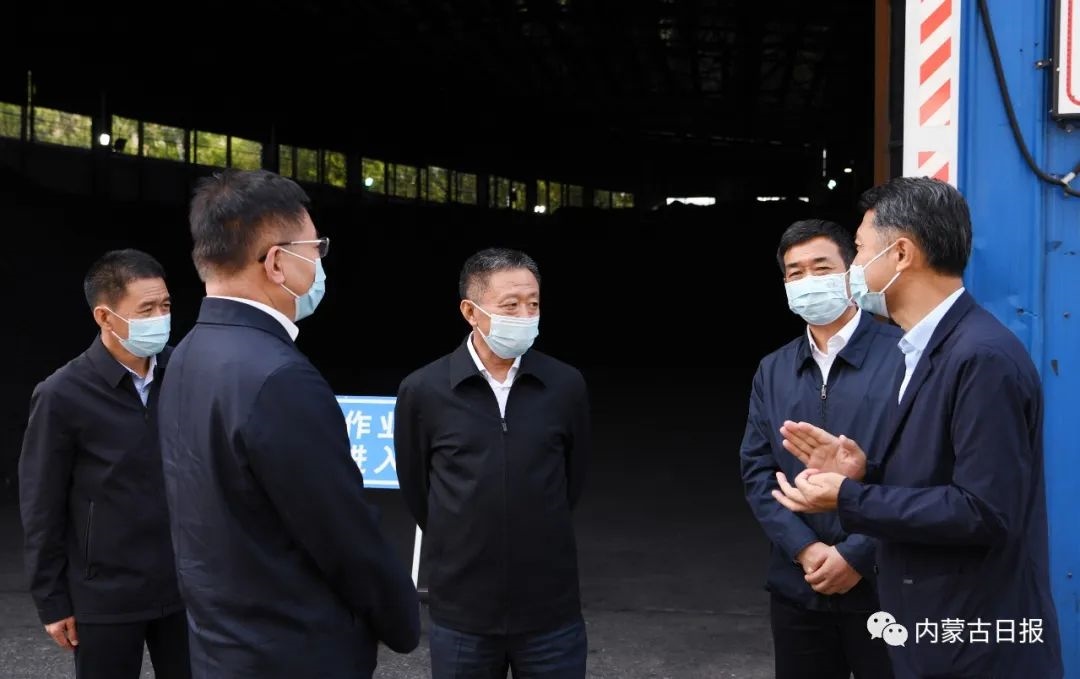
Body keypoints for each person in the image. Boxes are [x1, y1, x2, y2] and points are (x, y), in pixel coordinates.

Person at [773, 177, 1063, 678]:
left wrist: (849, 497)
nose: (855, 269)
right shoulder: (921, 349)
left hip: (975, 643)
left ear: (902, 254)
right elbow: (937, 478)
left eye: (862, 250)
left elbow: (984, 511)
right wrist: (864, 473)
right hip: (930, 630)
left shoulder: (980, 357)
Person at [157, 169, 420, 678]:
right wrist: (400, 619)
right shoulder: (278, 377)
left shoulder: (186, 354)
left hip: (220, 648)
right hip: (293, 651)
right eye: (315, 247)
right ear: (277, 262)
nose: (320, 262)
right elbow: (341, 532)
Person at [395, 247, 591, 679]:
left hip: (550, 612)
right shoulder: (425, 390)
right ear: (471, 311)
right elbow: (417, 488)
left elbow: (571, 479)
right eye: (510, 305)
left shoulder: (564, 385)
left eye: (533, 304)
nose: (525, 315)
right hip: (462, 616)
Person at [19, 249, 190, 679]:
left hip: (186, 585)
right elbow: (41, 504)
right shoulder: (62, 393)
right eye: (146, 309)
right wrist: (52, 600)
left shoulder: (186, 372)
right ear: (105, 316)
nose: (160, 317)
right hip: (105, 593)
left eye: (165, 305)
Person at [740, 219, 899, 679]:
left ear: (851, 274)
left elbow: (921, 471)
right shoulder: (773, 369)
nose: (808, 280)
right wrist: (805, 549)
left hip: (885, 585)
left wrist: (857, 554)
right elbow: (758, 471)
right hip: (799, 586)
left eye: (822, 268)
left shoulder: (904, 357)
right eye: (796, 273)